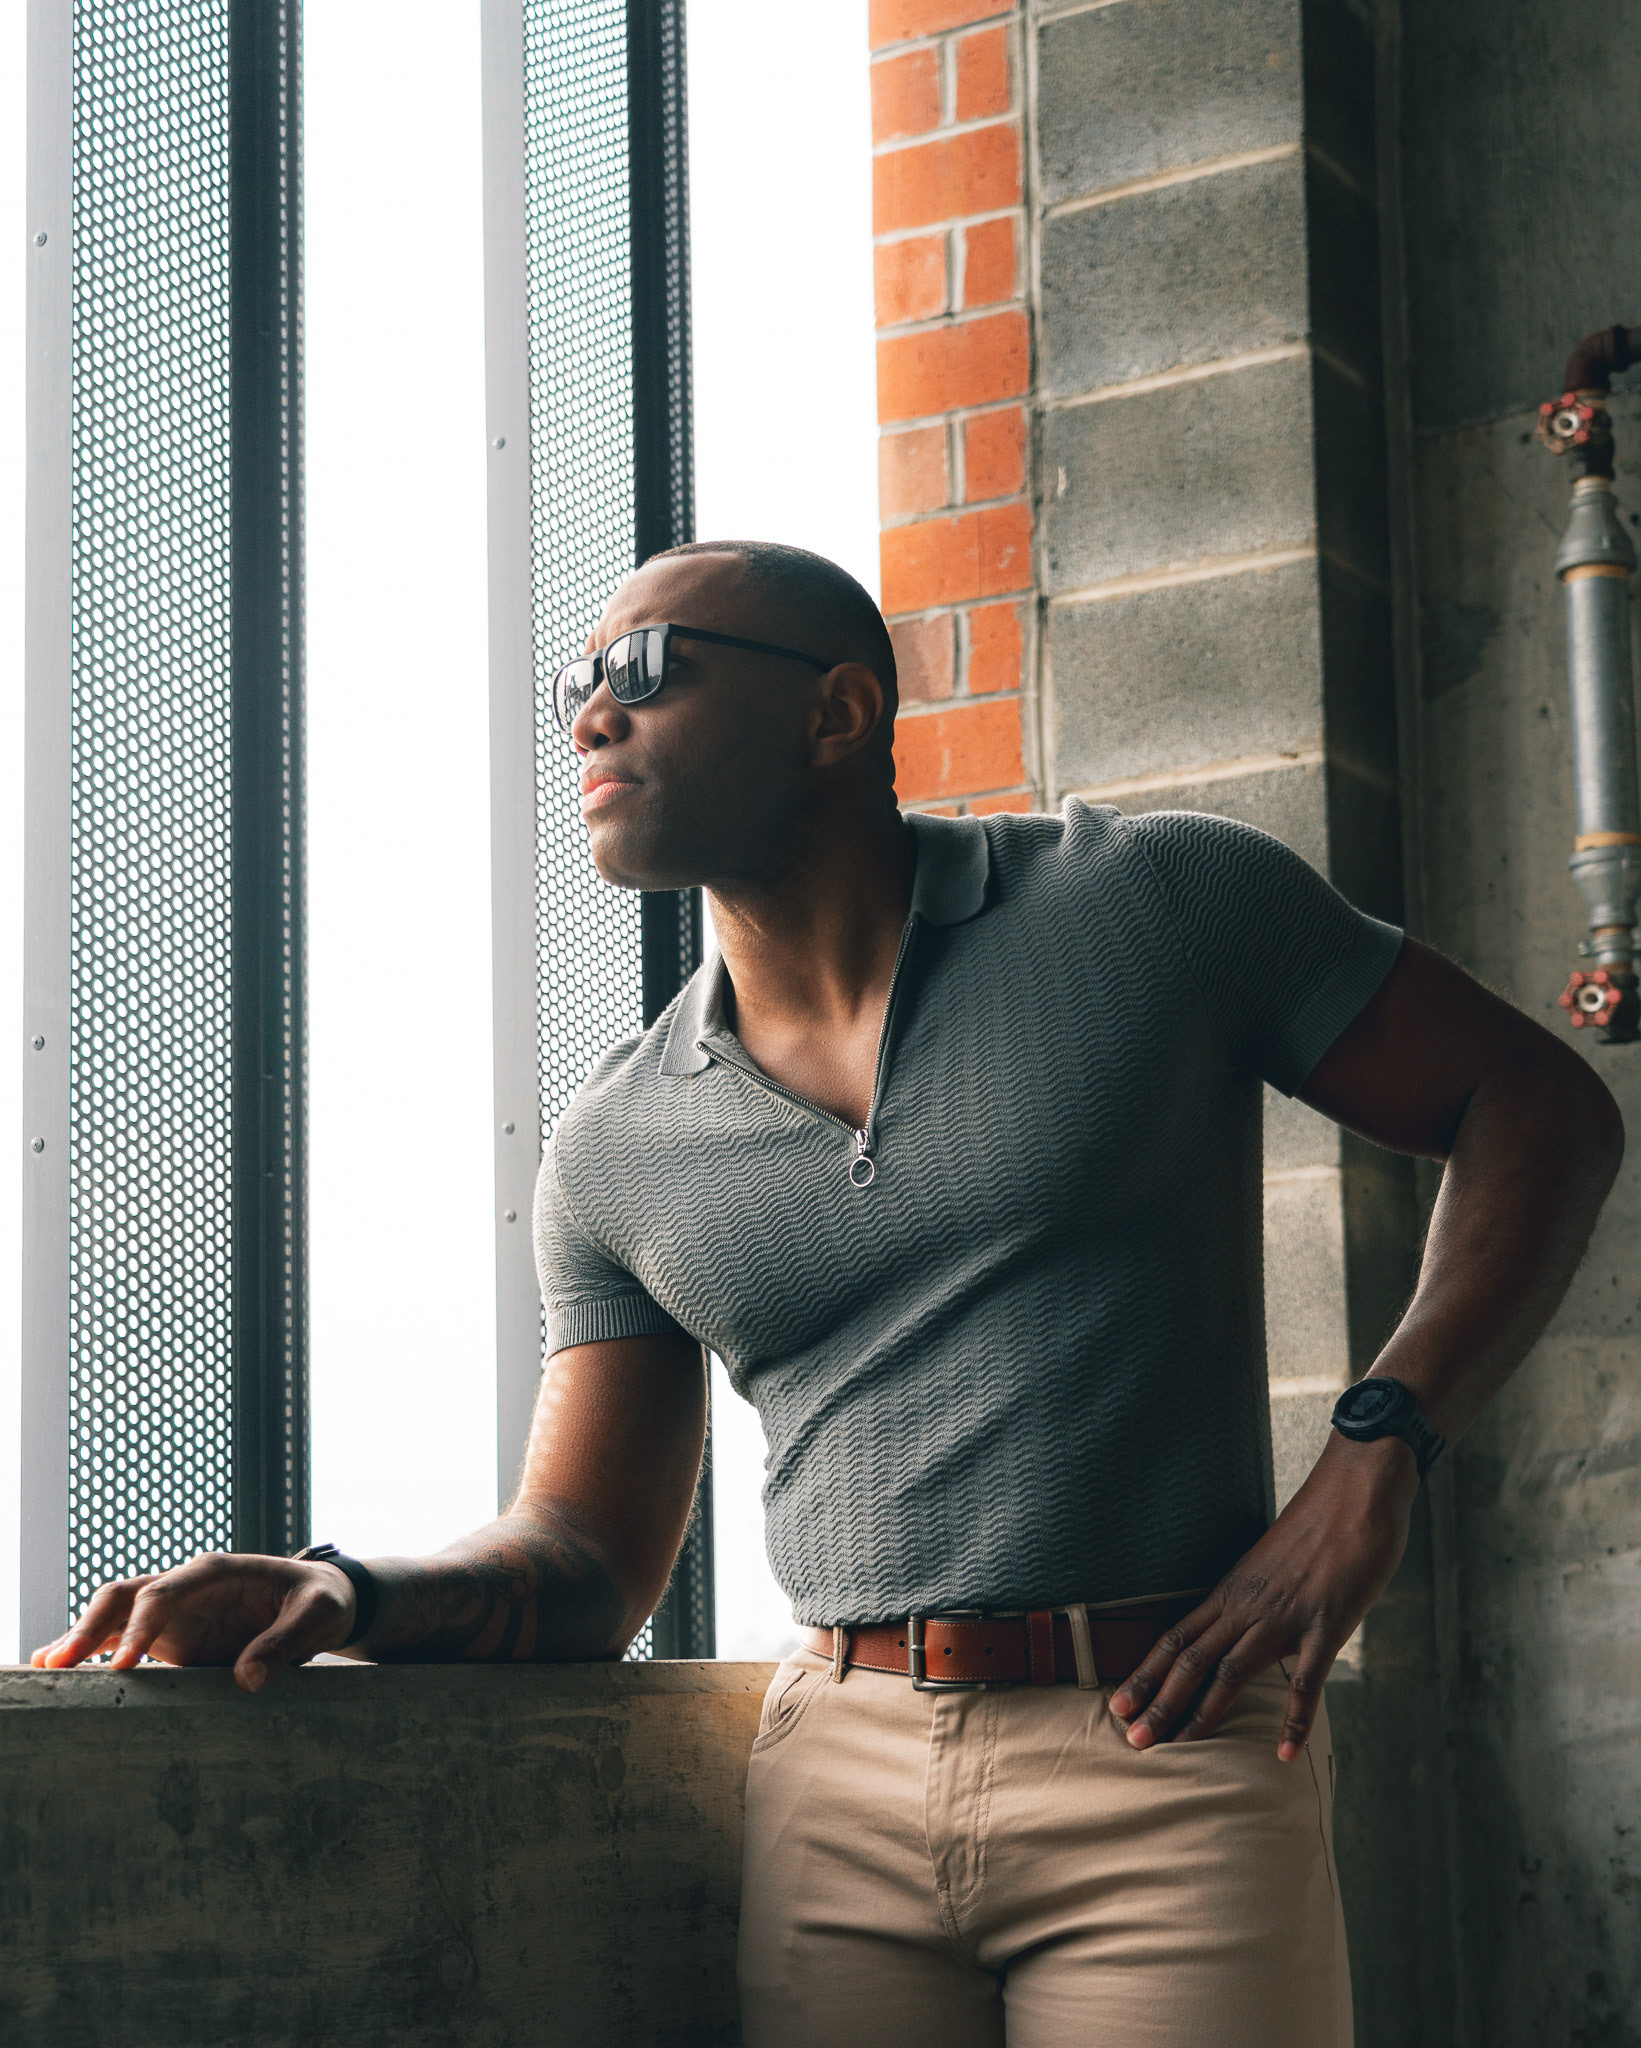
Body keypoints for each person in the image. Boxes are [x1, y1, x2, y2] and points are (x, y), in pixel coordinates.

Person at [35, 541, 1622, 2046]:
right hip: (835, 1786)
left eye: (646, 669)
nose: (589, 717)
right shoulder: (611, 1144)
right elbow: (584, 1561)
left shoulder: (1156, 901)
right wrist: (349, 1591)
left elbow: (1539, 1109)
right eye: (577, 685)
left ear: (837, 710)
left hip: (1165, 1754)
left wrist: (1370, 1454)